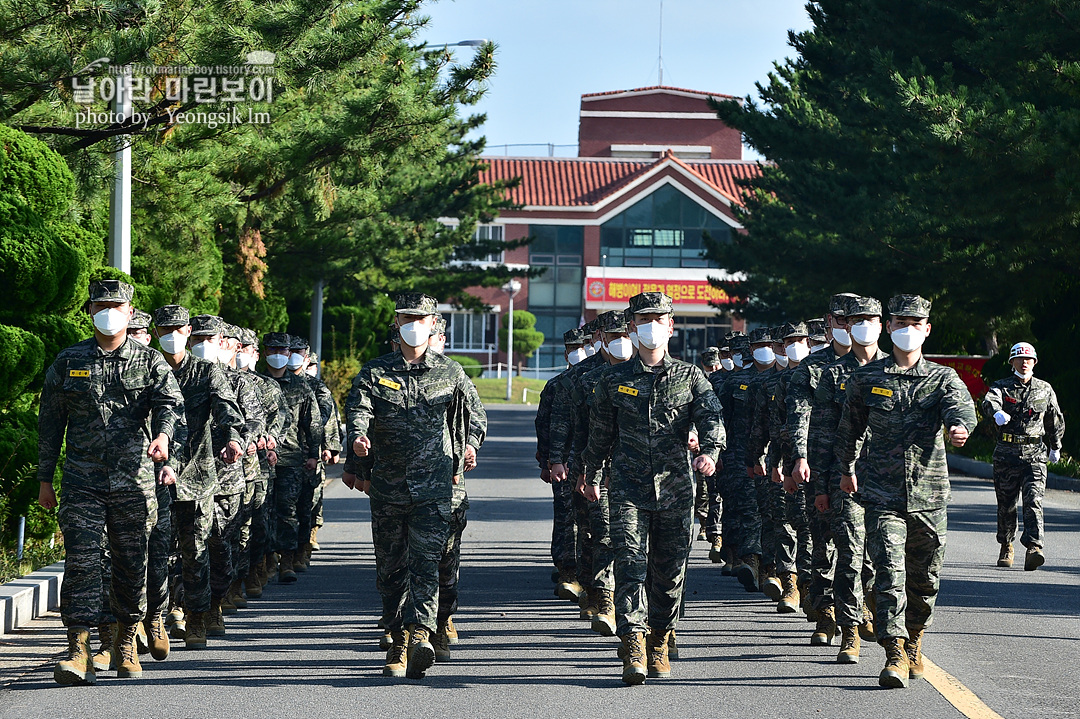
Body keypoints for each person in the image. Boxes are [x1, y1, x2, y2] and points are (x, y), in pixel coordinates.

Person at [38, 280, 184, 685]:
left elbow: (170, 403)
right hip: (82, 481)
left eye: (116, 305)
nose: (108, 311)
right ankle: (77, 649)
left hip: (133, 482)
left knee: (129, 565)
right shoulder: (69, 361)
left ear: (131, 312)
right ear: (89, 311)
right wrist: (44, 478)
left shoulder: (150, 361)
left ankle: (124, 641)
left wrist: (163, 436)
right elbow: (50, 423)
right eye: (101, 305)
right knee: (82, 562)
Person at [581, 292, 724, 685]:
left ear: (671, 327)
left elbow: (711, 417)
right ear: (631, 327)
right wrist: (590, 474)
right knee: (629, 562)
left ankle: (661, 634)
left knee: (669, 572)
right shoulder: (612, 380)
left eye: (658, 319)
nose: (651, 326)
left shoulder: (691, 377)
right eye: (643, 319)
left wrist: (709, 450)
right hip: (627, 487)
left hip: (677, 487)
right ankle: (632, 642)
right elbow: (600, 434)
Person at [836, 294, 977, 689]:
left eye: (916, 324)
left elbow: (961, 409)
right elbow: (850, 430)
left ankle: (914, 636)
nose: (908, 330)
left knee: (926, 580)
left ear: (927, 329)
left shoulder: (942, 379)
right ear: (889, 327)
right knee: (889, 573)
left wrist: (959, 428)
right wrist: (846, 470)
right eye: (900, 322)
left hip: (930, 496)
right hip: (881, 495)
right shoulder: (867, 378)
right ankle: (894, 651)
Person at [345, 292, 479, 680]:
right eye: (406, 316)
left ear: (433, 323)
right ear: (397, 322)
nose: (413, 324)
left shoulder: (450, 373)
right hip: (387, 487)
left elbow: (472, 416)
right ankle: (395, 635)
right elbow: (359, 408)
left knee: (425, 565)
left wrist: (469, 445)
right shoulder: (375, 371)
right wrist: (358, 438)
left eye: (420, 318)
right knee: (390, 569)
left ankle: (419, 634)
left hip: (435, 487)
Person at [150, 305, 245, 650]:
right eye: (165, 328)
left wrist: (234, 437)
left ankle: (196, 617)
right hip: (153, 475)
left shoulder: (205, 373)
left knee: (195, 551)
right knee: (156, 552)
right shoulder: (150, 368)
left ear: (187, 332)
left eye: (178, 328)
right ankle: (156, 618)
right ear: (156, 332)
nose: (172, 335)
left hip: (196, 476)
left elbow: (227, 409)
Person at [807, 297, 886, 661]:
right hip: (846, 480)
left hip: (889, 482)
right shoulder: (833, 374)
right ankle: (849, 629)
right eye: (856, 320)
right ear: (846, 327)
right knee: (851, 555)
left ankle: (869, 608)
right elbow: (822, 435)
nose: (864, 325)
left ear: (882, 325)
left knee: (879, 557)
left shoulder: (896, 370)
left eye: (871, 319)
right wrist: (822, 487)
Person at [787, 295, 856, 622]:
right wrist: (799, 457)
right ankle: (826, 605)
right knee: (824, 539)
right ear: (830, 322)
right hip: (821, 467)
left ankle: (855, 611)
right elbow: (798, 415)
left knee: (862, 545)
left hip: (869, 470)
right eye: (841, 320)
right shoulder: (812, 367)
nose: (847, 326)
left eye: (854, 320)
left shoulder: (879, 366)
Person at [569, 309, 635, 635]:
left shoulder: (666, 375)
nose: (621, 343)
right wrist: (584, 472)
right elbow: (582, 433)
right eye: (613, 337)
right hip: (605, 471)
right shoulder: (589, 381)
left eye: (626, 336)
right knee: (603, 534)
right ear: (601, 340)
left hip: (647, 474)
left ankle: (642, 612)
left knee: (640, 545)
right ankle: (605, 599)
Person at [982, 342, 1065, 571]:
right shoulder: (1002, 386)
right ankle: (1006, 544)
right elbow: (989, 401)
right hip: (1006, 454)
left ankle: (1034, 548)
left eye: (1029, 358)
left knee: (1033, 500)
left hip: (1035, 455)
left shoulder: (1044, 389)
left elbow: (1054, 418)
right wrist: (996, 412)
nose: (1024, 362)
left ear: (1035, 362)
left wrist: (1055, 446)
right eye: (1020, 358)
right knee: (1006, 504)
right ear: (1012, 362)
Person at [263, 332, 323, 583]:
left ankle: (287, 559)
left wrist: (313, 454)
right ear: (265, 352)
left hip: (291, 458)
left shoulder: (302, 387)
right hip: (260, 459)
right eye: (272, 349)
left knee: (288, 511)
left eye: (283, 350)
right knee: (262, 512)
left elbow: (313, 423)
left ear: (289, 353)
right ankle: (264, 561)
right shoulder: (256, 382)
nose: (278, 355)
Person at [535, 328, 589, 596]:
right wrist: (547, 460)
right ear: (566, 352)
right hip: (565, 461)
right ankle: (568, 570)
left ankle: (590, 575)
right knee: (566, 516)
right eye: (574, 347)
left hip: (593, 461)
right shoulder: (558, 384)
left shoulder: (600, 378)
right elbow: (545, 424)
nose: (580, 351)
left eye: (584, 345)